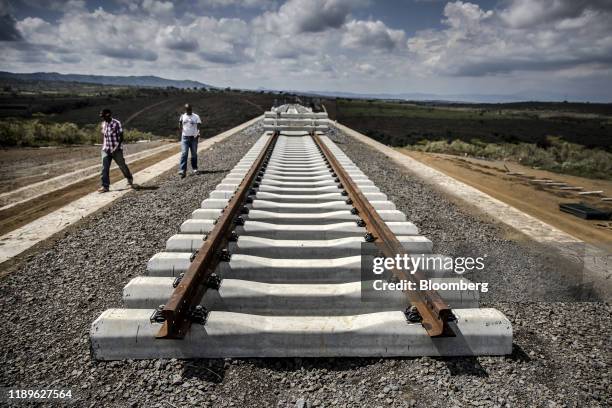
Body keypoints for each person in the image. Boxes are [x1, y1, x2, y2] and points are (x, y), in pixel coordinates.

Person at [98, 108, 133, 193]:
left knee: (122, 165)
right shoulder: (103, 124)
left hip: (116, 150)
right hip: (106, 149)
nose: (102, 118)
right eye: (101, 116)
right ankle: (105, 186)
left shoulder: (117, 123)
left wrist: (116, 147)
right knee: (104, 168)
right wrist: (104, 145)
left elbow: (121, 137)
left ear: (108, 114)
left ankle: (129, 178)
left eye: (103, 116)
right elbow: (104, 135)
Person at [178, 104, 202, 178]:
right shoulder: (182, 116)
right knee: (184, 153)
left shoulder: (196, 116)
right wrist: (182, 131)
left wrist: (198, 132)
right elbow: (179, 124)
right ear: (185, 110)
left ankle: (195, 168)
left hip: (194, 138)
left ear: (192, 109)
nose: (189, 111)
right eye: (187, 110)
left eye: (190, 109)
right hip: (185, 137)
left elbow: (199, 125)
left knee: (194, 154)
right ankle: (182, 170)